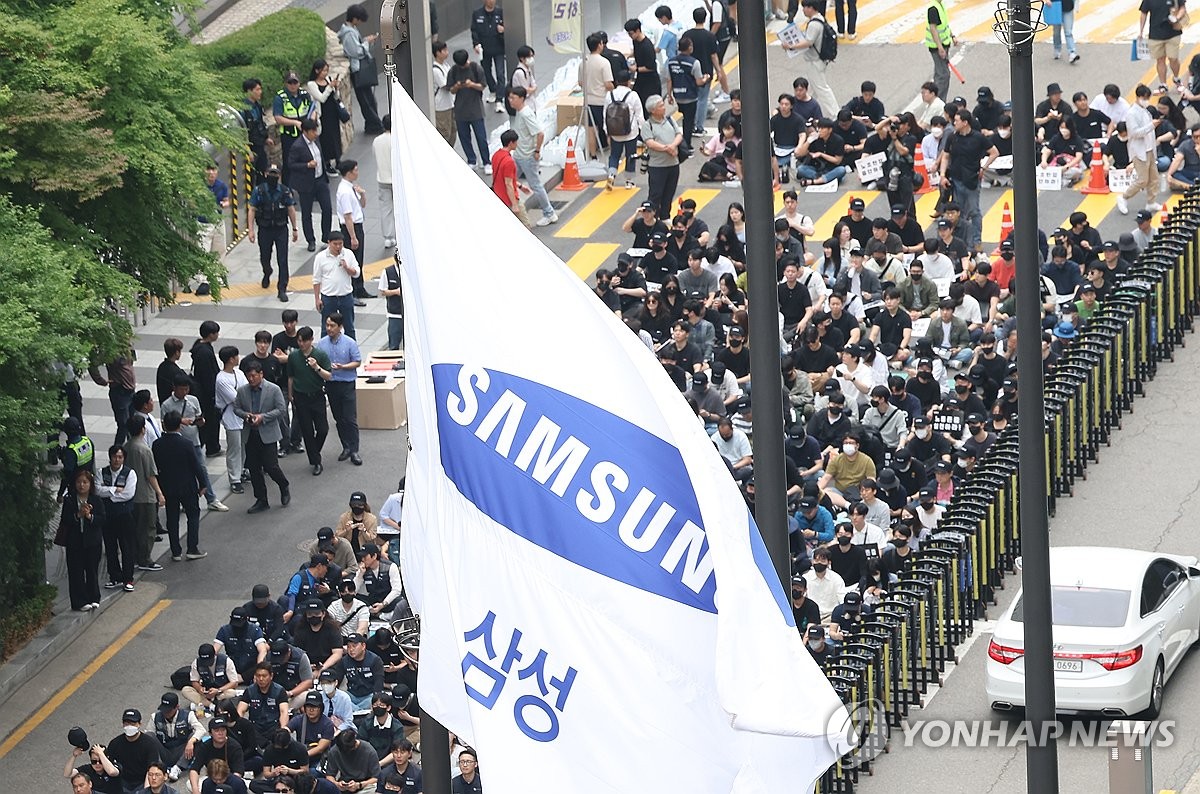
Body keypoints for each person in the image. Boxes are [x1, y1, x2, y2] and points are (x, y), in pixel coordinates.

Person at [162, 374, 226, 513]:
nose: (184, 392)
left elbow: (200, 417)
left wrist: (200, 421)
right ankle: (183, 501)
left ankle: (211, 499)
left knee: (202, 470)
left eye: (186, 389)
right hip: (177, 444)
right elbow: (164, 425)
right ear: (174, 388)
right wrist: (180, 421)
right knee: (181, 473)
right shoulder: (167, 405)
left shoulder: (193, 400)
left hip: (194, 442)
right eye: (181, 389)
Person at [235, 360, 291, 515]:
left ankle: (283, 484)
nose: (251, 379)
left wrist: (263, 417)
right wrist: (246, 415)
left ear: (261, 374)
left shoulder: (273, 389)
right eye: (248, 376)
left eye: (253, 376)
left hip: (268, 434)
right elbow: (236, 408)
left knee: (271, 466)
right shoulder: (242, 391)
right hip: (251, 434)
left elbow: (281, 410)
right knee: (253, 468)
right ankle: (261, 499)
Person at [153, 411, 208, 562]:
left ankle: (175, 551)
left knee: (172, 518)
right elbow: (196, 466)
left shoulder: (157, 445)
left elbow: (156, 468)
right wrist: (203, 483)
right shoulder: (186, 444)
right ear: (179, 425)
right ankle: (192, 548)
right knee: (193, 515)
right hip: (187, 486)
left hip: (168, 487)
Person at [940, 110, 997, 254]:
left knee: (974, 211)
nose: (954, 123)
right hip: (956, 179)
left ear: (965, 122)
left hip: (971, 180)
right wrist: (942, 175)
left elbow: (994, 152)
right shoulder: (952, 137)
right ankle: (960, 240)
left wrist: (984, 167)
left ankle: (977, 241)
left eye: (957, 120)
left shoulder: (978, 138)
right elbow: (945, 156)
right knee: (958, 212)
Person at [507, 87, 558, 226]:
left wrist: (536, 151)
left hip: (527, 157)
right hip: (518, 155)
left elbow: (540, 133)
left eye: (513, 98)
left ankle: (549, 213)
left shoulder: (525, 114)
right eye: (509, 97)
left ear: (522, 99)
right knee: (510, 181)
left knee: (535, 185)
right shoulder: (519, 112)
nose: (510, 100)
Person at [316, 313, 362, 466]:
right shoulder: (322, 344)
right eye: (327, 325)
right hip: (331, 384)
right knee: (339, 418)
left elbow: (357, 362)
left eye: (332, 326)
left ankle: (354, 450)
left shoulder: (349, 343)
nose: (329, 328)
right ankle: (346, 446)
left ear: (340, 327)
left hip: (347, 384)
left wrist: (343, 367)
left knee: (350, 418)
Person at [288, 326, 334, 477]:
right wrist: (290, 395)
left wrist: (316, 367)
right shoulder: (294, 356)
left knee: (322, 429)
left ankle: (314, 451)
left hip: (317, 396)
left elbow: (329, 376)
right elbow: (291, 377)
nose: (301, 344)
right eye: (299, 341)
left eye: (304, 341)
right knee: (307, 430)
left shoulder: (320, 355)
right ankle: (316, 461)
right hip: (301, 397)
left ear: (311, 341)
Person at [59, 469, 105, 611]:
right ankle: (79, 601)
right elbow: (65, 519)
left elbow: (102, 519)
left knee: (91, 570)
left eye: (85, 482)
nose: (82, 485)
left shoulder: (96, 500)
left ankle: (94, 597)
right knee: (76, 571)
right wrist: (78, 515)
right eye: (79, 482)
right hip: (75, 541)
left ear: (90, 485)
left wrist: (90, 517)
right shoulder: (70, 500)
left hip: (92, 541)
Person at [289, 119, 333, 256]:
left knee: (327, 208)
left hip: (320, 180)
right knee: (306, 213)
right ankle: (310, 240)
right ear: (305, 132)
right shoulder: (297, 146)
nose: (315, 133)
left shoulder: (317, 141)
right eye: (313, 131)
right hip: (306, 183)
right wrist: (306, 165)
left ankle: (326, 235)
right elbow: (291, 164)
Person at [339, 4, 384, 134]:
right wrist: (366, 42)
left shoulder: (350, 30)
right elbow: (356, 51)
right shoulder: (349, 34)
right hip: (358, 70)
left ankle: (372, 124)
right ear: (354, 19)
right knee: (366, 100)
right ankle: (375, 125)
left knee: (369, 99)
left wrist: (365, 41)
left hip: (359, 69)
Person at [97, 444, 137, 592]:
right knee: (110, 547)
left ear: (124, 458)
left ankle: (128, 578)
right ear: (110, 457)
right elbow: (97, 490)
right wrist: (114, 490)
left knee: (127, 547)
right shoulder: (102, 472)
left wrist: (109, 496)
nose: (117, 460)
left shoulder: (130, 473)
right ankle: (114, 576)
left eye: (120, 457)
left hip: (125, 516)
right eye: (114, 457)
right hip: (108, 517)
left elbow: (128, 494)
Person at [1118, 85, 1162, 215]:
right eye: (1144, 98)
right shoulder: (1131, 114)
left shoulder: (1145, 111)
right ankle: (1124, 197)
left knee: (1154, 178)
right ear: (1138, 97)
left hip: (1149, 149)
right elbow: (1135, 133)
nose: (1146, 100)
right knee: (1142, 180)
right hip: (1139, 151)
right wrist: (1151, 126)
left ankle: (1151, 202)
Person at [448, 49, 491, 171]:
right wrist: (457, 86)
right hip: (460, 110)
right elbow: (451, 90)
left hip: (476, 109)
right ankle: (471, 159)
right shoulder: (454, 70)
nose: (462, 67)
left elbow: (482, 86)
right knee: (464, 137)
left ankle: (486, 161)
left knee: (481, 137)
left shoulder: (475, 68)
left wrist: (471, 84)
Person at [335, 159, 372, 301]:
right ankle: (353, 291)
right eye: (355, 170)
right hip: (351, 228)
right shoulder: (344, 191)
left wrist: (362, 194)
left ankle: (360, 288)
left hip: (357, 226)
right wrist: (353, 236)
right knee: (353, 259)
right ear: (349, 173)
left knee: (359, 258)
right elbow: (347, 216)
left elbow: (361, 205)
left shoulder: (351, 187)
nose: (357, 172)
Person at [643, 95, 683, 221]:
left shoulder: (670, 119)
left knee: (669, 193)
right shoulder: (647, 125)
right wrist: (667, 148)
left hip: (673, 164)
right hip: (657, 166)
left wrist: (673, 145)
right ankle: (651, 218)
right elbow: (650, 143)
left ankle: (665, 217)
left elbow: (679, 134)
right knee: (656, 194)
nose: (664, 107)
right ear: (653, 110)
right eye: (660, 106)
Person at [665, 36, 706, 154]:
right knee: (688, 121)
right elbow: (698, 82)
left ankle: (680, 140)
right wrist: (705, 79)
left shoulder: (671, 62)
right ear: (689, 48)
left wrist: (669, 95)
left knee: (685, 119)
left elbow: (669, 80)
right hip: (690, 96)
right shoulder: (694, 62)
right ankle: (686, 146)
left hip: (678, 95)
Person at [215, 346, 248, 495]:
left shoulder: (239, 373)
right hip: (231, 417)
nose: (238, 358)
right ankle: (234, 479)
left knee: (243, 446)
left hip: (243, 416)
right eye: (236, 356)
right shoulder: (221, 379)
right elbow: (235, 399)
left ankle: (241, 472)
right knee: (234, 448)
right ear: (230, 359)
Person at [107, 709, 165, 793]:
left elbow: (151, 770)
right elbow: (109, 765)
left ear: (139, 724)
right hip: (122, 782)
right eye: (126, 723)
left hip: (141, 782)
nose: (129, 726)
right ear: (123, 724)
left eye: (132, 723)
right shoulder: (115, 744)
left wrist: (146, 791)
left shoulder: (149, 744)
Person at [604, 70, 644, 189]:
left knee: (614, 155)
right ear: (629, 81)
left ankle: (611, 174)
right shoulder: (633, 95)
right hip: (630, 132)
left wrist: (607, 130)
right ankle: (629, 181)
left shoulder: (609, 95)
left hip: (615, 131)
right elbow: (639, 115)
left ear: (616, 81)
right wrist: (643, 131)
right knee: (630, 155)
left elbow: (605, 113)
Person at [273, 72, 314, 187]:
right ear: (286, 83)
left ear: (299, 83)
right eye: (290, 82)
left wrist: (311, 121)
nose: (292, 85)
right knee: (289, 163)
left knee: (308, 159)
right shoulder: (280, 98)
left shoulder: (304, 94)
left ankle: (309, 186)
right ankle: (287, 189)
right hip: (289, 135)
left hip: (305, 133)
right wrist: (294, 123)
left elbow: (312, 109)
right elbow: (278, 118)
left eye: (295, 82)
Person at [187, 718, 245, 793]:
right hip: (212, 779)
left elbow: (238, 772)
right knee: (190, 784)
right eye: (217, 731)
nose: (220, 733)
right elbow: (194, 769)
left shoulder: (235, 746)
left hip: (229, 779)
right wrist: (195, 790)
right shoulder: (205, 746)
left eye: (223, 730)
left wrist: (224, 787)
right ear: (210, 733)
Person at [306, 59, 344, 173]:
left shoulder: (329, 79)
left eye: (327, 70)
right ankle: (327, 163)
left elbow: (335, 96)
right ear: (317, 71)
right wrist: (329, 87)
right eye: (323, 71)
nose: (325, 73)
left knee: (336, 136)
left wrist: (335, 88)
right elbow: (321, 98)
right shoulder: (312, 84)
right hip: (323, 115)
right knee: (326, 138)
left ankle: (338, 160)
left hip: (333, 112)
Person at [1140, 0, 1186, 94]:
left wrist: (1176, 18)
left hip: (1173, 33)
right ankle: (1163, 84)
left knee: (1173, 58)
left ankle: (1176, 79)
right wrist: (1141, 31)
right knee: (1160, 60)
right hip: (1155, 34)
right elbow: (1143, 13)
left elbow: (1182, 8)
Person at [470, 0, 506, 110]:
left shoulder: (500, 12)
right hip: (484, 48)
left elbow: (509, 26)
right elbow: (474, 30)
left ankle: (500, 99)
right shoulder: (477, 13)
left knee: (500, 73)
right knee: (486, 71)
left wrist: (503, 30)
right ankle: (493, 90)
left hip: (499, 48)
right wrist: (476, 44)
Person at [490, 129, 528, 227]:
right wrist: (514, 204)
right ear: (511, 143)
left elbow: (502, 177)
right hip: (509, 199)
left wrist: (520, 186)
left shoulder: (496, 155)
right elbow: (508, 184)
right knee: (525, 225)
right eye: (516, 142)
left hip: (499, 195)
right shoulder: (509, 161)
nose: (517, 144)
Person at [241, 78, 271, 177]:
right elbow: (242, 131)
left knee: (263, 171)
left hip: (260, 145)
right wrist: (248, 150)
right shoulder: (243, 109)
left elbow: (260, 123)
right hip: (251, 146)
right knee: (252, 175)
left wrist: (266, 138)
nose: (260, 92)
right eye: (257, 90)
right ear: (249, 91)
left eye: (260, 89)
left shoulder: (257, 106)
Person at [431, 41, 456, 146]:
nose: (447, 52)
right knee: (444, 133)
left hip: (451, 104)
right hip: (441, 107)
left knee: (453, 132)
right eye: (444, 50)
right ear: (438, 53)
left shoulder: (446, 65)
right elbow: (445, 86)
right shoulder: (435, 70)